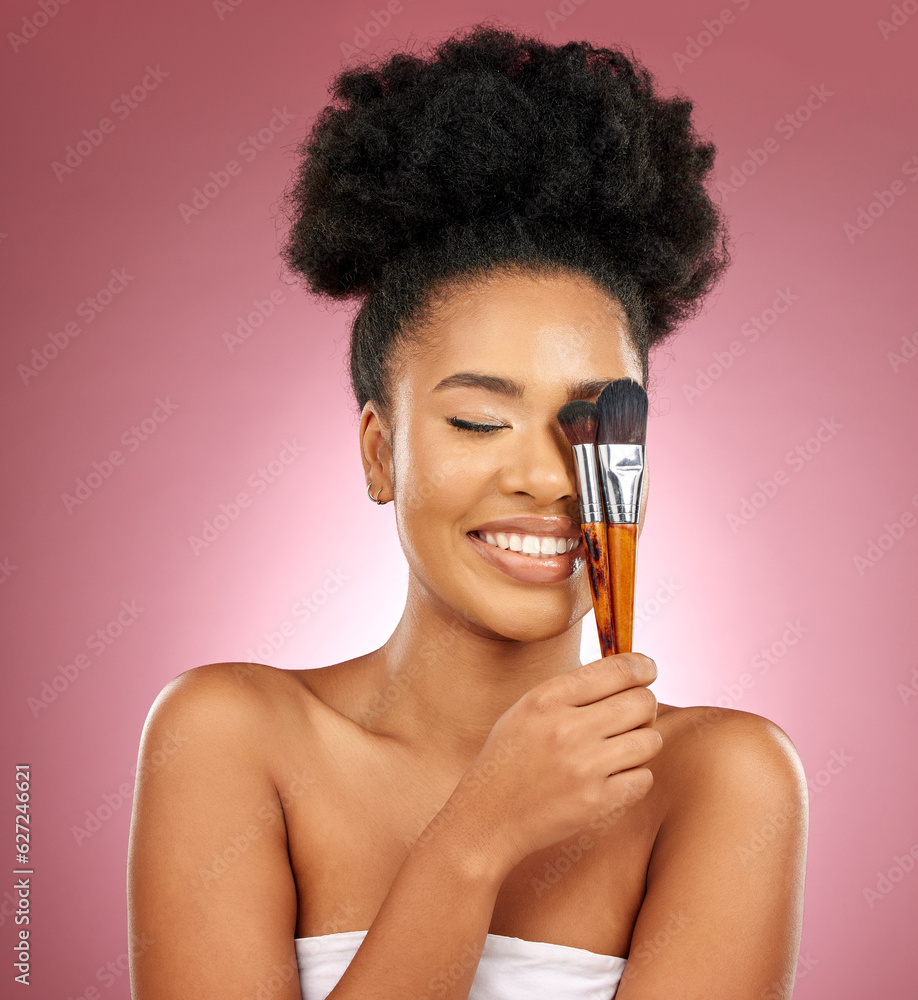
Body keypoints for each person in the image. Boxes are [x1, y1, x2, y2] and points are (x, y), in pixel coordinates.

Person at [127, 21, 808, 1000]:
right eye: (482, 420)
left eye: (591, 423)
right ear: (379, 452)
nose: (548, 476)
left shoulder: (724, 781)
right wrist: (476, 837)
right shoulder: (231, 736)